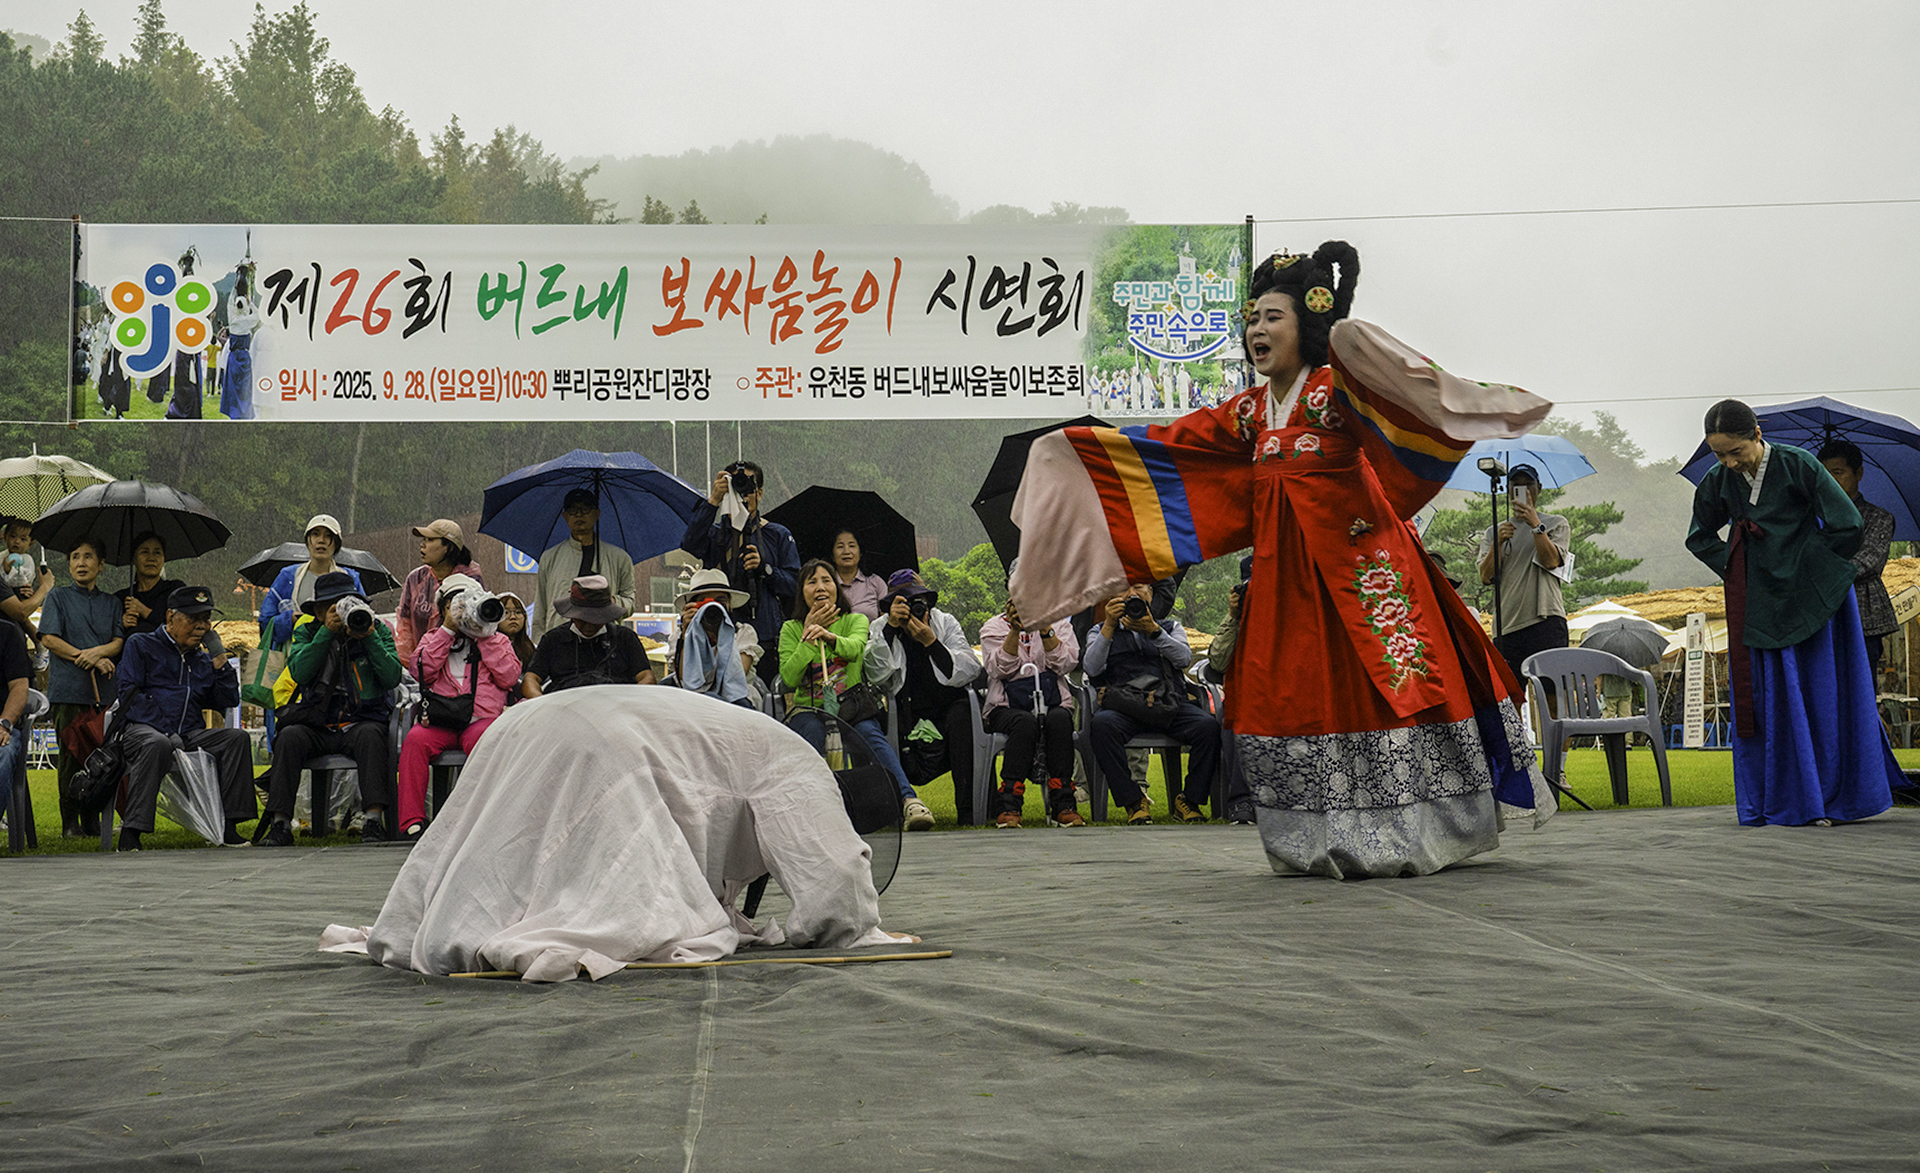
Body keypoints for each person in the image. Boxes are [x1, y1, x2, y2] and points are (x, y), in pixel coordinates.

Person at [1009, 242, 1555, 877]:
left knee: (1390, 690)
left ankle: (1416, 831)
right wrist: (1075, 451)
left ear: (1308, 325)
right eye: (1251, 319)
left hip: (1362, 569)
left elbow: (1406, 410)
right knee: (1294, 694)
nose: (1256, 331)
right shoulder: (1250, 412)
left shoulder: (1334, 389)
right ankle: (1314, 837)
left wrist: (1377, 355)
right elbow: (1173, 444)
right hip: (1288, 580)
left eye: (1272, 317)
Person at [321, 688, 916, 980]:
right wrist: (861, 929)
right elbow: (833, 874)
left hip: (527, 719)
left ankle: (440, 920)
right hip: (603, 740)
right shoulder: (801, 765)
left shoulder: (751, 735)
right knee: (616, 900)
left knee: (508, 853)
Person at [1687, 400, 1899, 826]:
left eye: (1736, 452)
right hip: (1759, 601)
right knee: (1770, 703)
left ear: (1757, 434)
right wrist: (1738, 564)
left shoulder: (1798, 464)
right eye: (1719, 455)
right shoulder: (1718, 480)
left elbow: (1847, 524)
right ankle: (1778, 798)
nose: (1729, 463)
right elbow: (1699, 537)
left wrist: (1810, 563)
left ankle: (1828, 797)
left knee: (1821, 699)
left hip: (1811, 598)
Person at [780, 560, 932, 831]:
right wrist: (808, 636)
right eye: (811, 582)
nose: (820, 587)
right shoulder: (790, 629)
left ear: (837, 588)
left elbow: (854, 650)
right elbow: (790, 678)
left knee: (871, 735)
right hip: (810, 710)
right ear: (802, 591)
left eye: (826, 580)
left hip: (852, 707)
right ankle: (809, 813)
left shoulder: (855, 620)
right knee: (810, 736)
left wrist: (828, 636)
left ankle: (909, 801)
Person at [257, 571, 402, 846]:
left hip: (361, 720)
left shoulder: (375, 629)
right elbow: (299, 672)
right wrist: (325, 634)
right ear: (319, 611)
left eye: (346, 603)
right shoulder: (308, 631)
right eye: (333, 607)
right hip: (318, 722)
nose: (341, 612)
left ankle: (372, 821)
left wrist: (368, 637)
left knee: (372, 736)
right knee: (288, 737)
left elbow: (392, 677)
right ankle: (280, 824)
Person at [111, 587, 256, 850]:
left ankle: (228, 825)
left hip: (188, 734)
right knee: (157, 743)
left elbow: (228, 700)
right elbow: (131, 696)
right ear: (170, 617)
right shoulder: (140, 644)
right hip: (141, 731)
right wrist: (167, 732)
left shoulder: (201, 659)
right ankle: (131, 832)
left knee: (237, 738)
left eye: (206, 619)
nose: (201, 626)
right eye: (192, 619)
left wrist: (220, 659)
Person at [1083, 581, 1221, 824]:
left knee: (1207, 727)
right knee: (1102, 726)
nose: (1131, 594)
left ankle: (1189, 801)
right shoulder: (1099, 630)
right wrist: (1109, 626)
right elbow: (1092, 668)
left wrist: (1154, 631)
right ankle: (1134, 801)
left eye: (1138, 587)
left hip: (1168, 704)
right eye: (1123, 589)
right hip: (1124, 707)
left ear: (1150, 593)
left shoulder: (1170, 626)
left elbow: (1183, 659)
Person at [396, 575, 522, 838]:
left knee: (483, 740)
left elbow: (509, 677)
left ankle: (480, 819)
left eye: (469, 603)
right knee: (415, 741)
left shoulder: (497, 640)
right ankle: (412, 822)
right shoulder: (433, 637)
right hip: (441, 721)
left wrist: (483, 635)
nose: (464, 610)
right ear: (444, 609)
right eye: (456, 604)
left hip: (480, 720)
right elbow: (421, 671)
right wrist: (448, 631)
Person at [866, 569, 981, 825]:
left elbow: (969, 668)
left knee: (963, 715)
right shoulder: (881, 626)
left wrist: (932, 642)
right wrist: (891, 629)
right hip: (906, 713)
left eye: (916, 601)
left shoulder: (944, 621)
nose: (912, 609)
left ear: (927, 600)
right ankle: (897, 810)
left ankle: (969, 812)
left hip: (947, 708)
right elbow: (876, 674)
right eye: (903, 602)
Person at [680, 461, 801, 683]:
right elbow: (690, 544)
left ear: (760, 493)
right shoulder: (716, 535)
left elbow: (795, 585)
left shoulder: (776, 535)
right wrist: (713, 501)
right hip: (719, 635)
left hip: (765, 637)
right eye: (735, 487)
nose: (742, 494)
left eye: (748, 488)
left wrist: (765, 569)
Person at [40, 536, 123, 838]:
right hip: (68, 691)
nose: (81, 563)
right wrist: (85, 657)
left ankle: (92, 818)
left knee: (102, 757)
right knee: (71, 757)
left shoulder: (112, 603)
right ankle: (69, 822)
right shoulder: (58, 597)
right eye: (75, 557)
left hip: (104, 693)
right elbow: (49, 639)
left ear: (101, 565)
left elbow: (118, 641)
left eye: (88, 557)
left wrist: (97, 654)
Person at [978, 592, 1083, 827]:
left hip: (1052, 702)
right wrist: (1015, 631)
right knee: (1024, 723)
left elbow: (1066, 664)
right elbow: (999, 670)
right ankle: (1009, 804)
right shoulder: (992, 627)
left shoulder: (1059, 625)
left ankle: (1064, 804)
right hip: (1005, 706)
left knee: (1060, 719)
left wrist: (1044, 628)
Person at [1475, 463, 1572, 688]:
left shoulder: (1556, 523)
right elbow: (1486, 577)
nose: (1523, 490)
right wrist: (1498, 542)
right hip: (1507, 625)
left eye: (1528, 484)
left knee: (1552, 691)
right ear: (1508, 491)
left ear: (1539, 488)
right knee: (1510, 697)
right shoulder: (1494, 532)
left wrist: (1535, 525)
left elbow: (1551, 561)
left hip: (1545, 619)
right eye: (1516, 486)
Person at [1818, 439, 1898, 677]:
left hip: (1863, 615)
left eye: (1838, 472)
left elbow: (1869, 561)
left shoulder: (1878, 517)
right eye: (1825, 473)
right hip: (1818, 615)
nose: (1831, 480)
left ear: (1858, 473)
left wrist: (1822, 571)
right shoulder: (1812, 516)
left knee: (1861, 682)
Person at [532, 488, 636, 641]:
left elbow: (630, 602)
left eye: (585, 509)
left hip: (604, 641)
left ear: (596, 514)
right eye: (573, 510)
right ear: (565, 516)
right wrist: (538, 645)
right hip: (560, 641)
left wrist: (611, 601)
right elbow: (541, 608)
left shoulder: (620, 558)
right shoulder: (549, 557)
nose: (579, 514)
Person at [523, 576, 654, 696]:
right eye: (583, 619)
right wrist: (538, 700)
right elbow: (531, 678)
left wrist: (631, 699)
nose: (589, 626)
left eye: (596, 620)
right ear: (572, 614)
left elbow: (646, 676)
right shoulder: (553, 640)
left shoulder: (625, 638)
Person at [260, 515, 365, 651]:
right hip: (294, 656)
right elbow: (265, 619)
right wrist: (289, 620)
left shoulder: (350, 578)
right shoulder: (288, 576)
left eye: (328, 536)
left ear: (336, 544)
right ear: (308, 541)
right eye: (315, 534)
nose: (321, 540)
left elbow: (363, 620)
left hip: (339, 656)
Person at [394, 519, 483, 665]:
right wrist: (411, 663)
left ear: (448, 547)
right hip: (423, 664)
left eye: (430, 540)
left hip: (460, 664)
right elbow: (405, 623)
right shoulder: (416, 579)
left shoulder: (470, 579)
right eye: (423, 539)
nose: (422, 544)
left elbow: (477, 625)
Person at [670, 568, 762, 706]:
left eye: (720, 601)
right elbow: (684, 678)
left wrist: (722, 634)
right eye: (704, 603)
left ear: (729, 605)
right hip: (693, 700)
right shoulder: (680, 636)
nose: (713, 607)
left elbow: (736, 677)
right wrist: (687, 634)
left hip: (736, 699)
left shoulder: (743, 633)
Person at [0, 515, 52, 642]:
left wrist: (11, 573)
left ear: (30, 543)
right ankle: (38, 642)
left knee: (23, 619)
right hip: (8, 598)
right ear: (5, 537)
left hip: (19, 592)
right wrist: (45, 586)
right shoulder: (2, 557)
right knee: (21, 617)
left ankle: (38, 642)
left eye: (23, 539)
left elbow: (25, 578)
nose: (17, 541)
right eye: (13, 536)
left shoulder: (28, 560)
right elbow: (20, 612)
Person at [0, 618, 30, 826]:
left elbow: (20, 687)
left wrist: (4, 724)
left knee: (3, 752)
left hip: (2, 726)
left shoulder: (7, 633)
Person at [219, 271, 260, 421]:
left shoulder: (233, 319)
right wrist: (250, 302)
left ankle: (234, 413)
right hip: (244, 356)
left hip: (233, 357)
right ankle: (244, 413)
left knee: (232, 387)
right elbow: (257, 314)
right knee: (245, 388)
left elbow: (230, 303)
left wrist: (235, 288)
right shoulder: (248, 321)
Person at [830, 530, 889, 619]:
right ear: (832, 555)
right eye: (840, 546)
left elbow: (887, 617)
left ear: (860, 552)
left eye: (852, 546)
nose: (846, 551)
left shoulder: (876, 582)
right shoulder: (825, 585)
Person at [496, 592, 537, 672]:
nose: (513, 617)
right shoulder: (488, 649)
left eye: (518, 612)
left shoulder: (533, 649)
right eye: (506, 613)